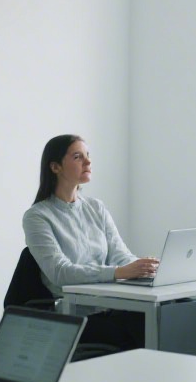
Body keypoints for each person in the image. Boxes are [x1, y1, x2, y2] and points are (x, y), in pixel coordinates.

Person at [23, 134, 157, 350]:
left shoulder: (96, 207)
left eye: (88, 156)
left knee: (165, 316)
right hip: (74, 316)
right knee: (147, 329)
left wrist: (144, 268)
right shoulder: (37, 216)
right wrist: (118, 272)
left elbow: (120, 255)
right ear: (55, 167)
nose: (88, 162)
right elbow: (61, 272)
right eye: (78, 157)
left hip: (111, 306)